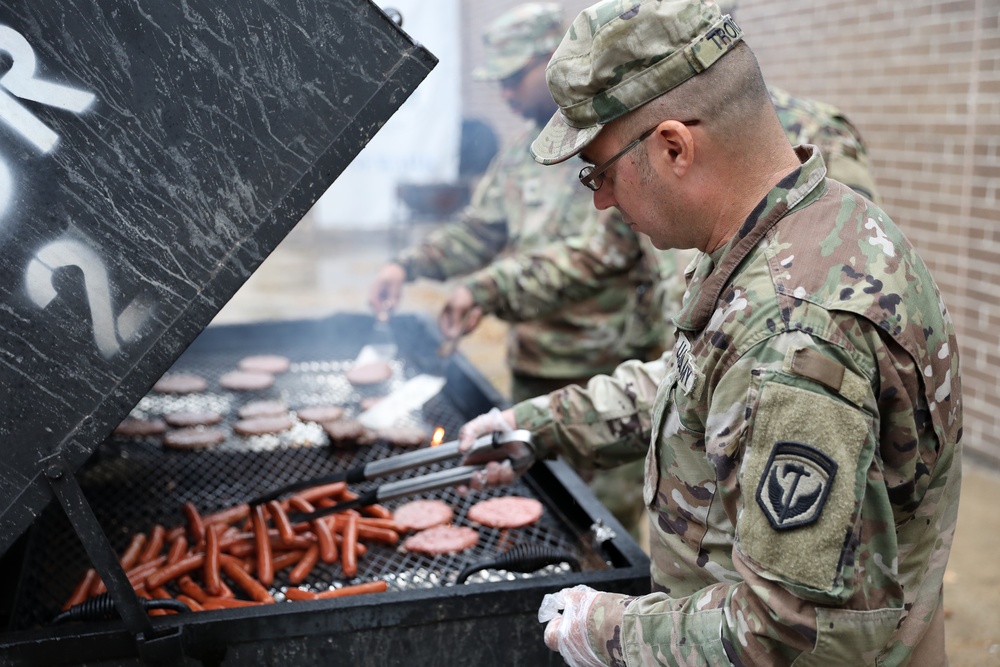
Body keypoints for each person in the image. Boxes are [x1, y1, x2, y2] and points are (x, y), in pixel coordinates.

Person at [458, 1, 962, 664]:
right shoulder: (806, 226)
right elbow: (697, 383)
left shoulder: (793, 332)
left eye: (600, 171)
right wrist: (544, 423)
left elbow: (786, 632)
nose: (600, 200)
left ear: (673, 147)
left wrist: (603, 627)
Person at [370, 3, 677, 538]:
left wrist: (488, 288)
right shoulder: (519, 155)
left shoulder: (612, 146)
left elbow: (598, 253)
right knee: (537, 508)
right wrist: (408, 264)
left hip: (608, 372)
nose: (506, 93)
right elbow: (478, 230)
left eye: (514, 77)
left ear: (551, 59)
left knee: (604, 528)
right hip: (535, 366)